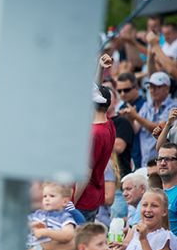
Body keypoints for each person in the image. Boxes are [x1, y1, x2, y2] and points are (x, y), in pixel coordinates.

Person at [75, 85, 116, 222]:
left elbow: (85, 174)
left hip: (82, 201)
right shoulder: (109, 123)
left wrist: (70, 203)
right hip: (93, 197)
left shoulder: (95, 134)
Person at [121, 72, 177, 169]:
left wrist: (136, 116)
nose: (152, 90)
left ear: (167, 88)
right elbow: (135, 129)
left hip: (164, 163)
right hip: (145, 162)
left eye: (157, 87)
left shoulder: (173, 106)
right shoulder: (146, 106)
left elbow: (160, 129)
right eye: (150, 87)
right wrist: (130, 118)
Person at [116, 72, 146, 169]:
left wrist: (132, 117)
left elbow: (136, 130)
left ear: (136, 87)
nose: (123, 94)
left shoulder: (145, 105)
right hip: (129, 157)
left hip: (143, 156)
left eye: (126, 90)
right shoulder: (121, 107)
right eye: (119, 91)